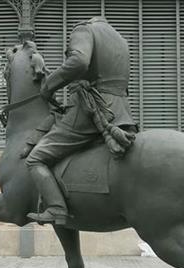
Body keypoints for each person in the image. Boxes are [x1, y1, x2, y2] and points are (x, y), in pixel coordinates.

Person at [23, 16, 138, 225]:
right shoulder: (121, 40)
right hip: (121, 111)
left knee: (35, 159)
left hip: (89, 110)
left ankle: (57, 208)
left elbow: (79, 61)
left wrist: (48, 86)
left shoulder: (84, 30)